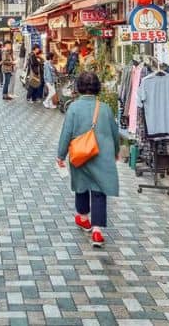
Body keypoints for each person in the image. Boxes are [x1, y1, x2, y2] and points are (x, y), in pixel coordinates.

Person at [56, 71, 119, 248]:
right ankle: (97, 231)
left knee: (81, 185)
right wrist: (115, 151)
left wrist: (60, 155)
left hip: (80, 154)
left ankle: (83, 218)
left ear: (79, 87)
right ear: (97, 87)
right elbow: (114, 133)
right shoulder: (105, 108)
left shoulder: (74, 108)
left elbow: (66, 133)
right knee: (99, 190)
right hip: (101, 154)